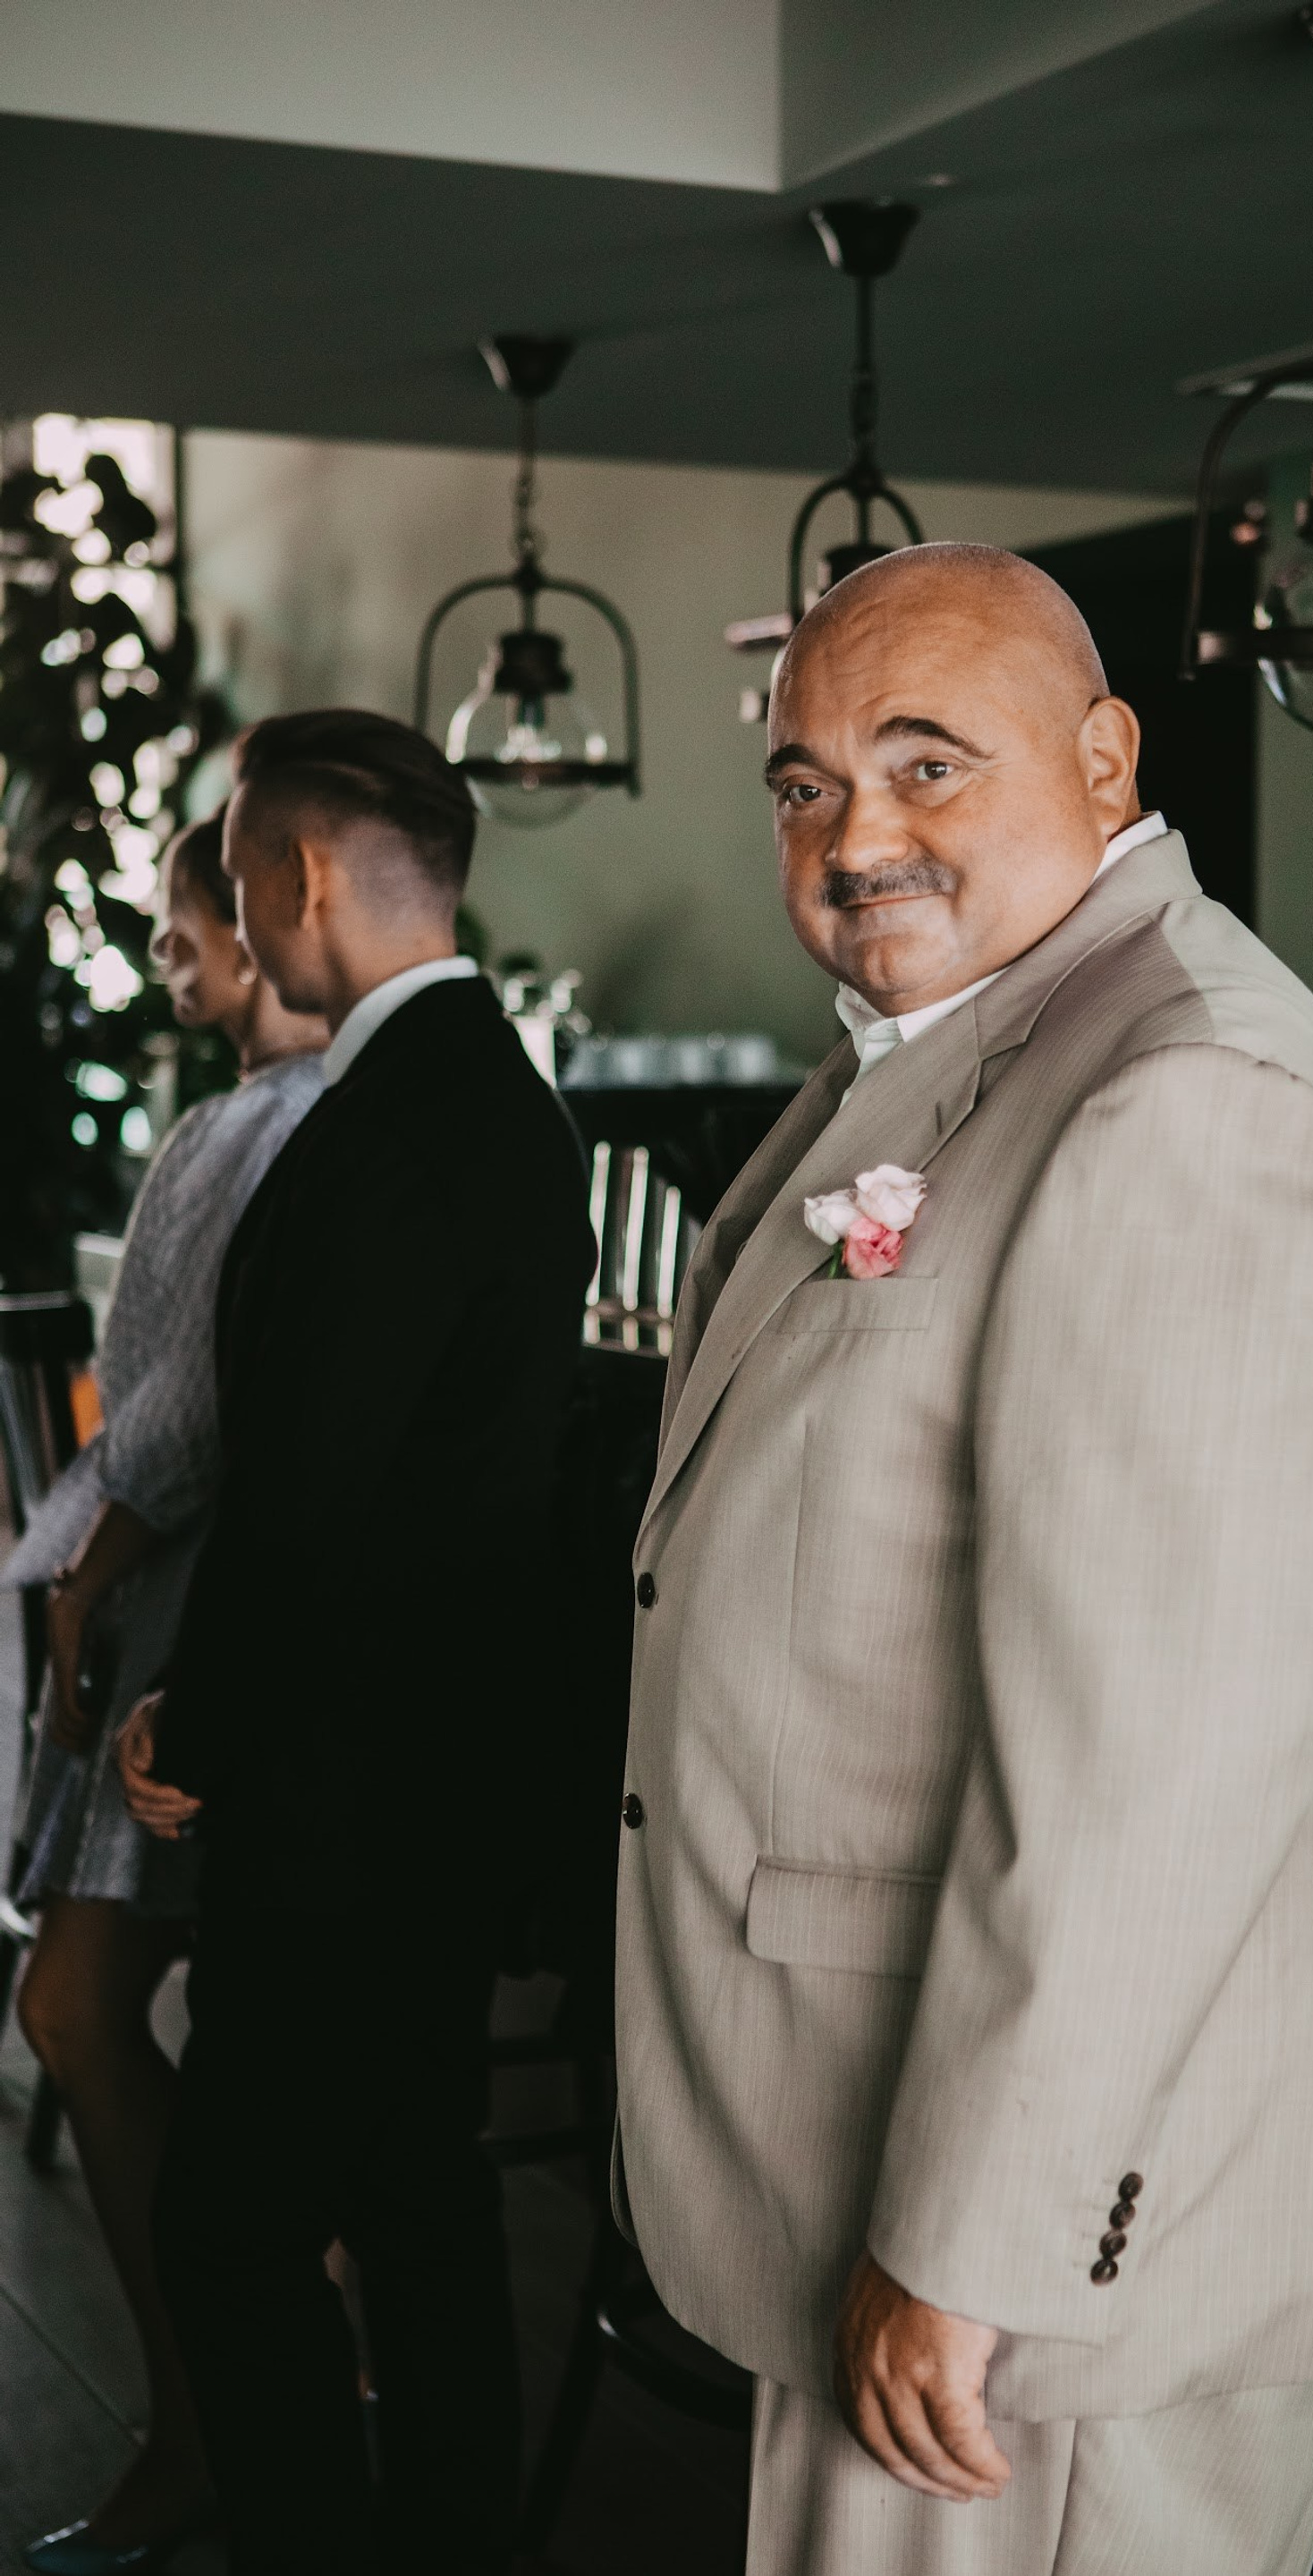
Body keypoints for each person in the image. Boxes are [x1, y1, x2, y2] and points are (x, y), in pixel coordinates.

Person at [614, 544, 1313, 2576]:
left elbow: (1160, 1765)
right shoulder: (973, 1040)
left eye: (926, 764)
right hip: (884, 2140)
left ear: (1106, 758)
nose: (855, 833)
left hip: (1054, 2251)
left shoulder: (1189, 1100)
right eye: (807, 782)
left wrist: (977, 2241)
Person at [114, 711, 595, 2576]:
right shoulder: (504, 1101)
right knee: (414, 2190)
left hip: (342, 1779)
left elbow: (304, 1497)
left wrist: (194, 1720)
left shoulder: (385, 1126)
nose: (245, 916)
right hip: (454, 1762)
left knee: (230, 2229)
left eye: (239, 879)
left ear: (299, 877)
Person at [6, 809, 326, 2575]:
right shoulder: (312, 1117)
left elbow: (175, 1422)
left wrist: (82, 1577)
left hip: (186, 1625)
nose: (159, 951)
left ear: (262, 913)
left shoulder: (240, 1128)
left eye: (174, 919)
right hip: (249, 1622)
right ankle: (263, 2381)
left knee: (73, 2012)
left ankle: (212, 2411)